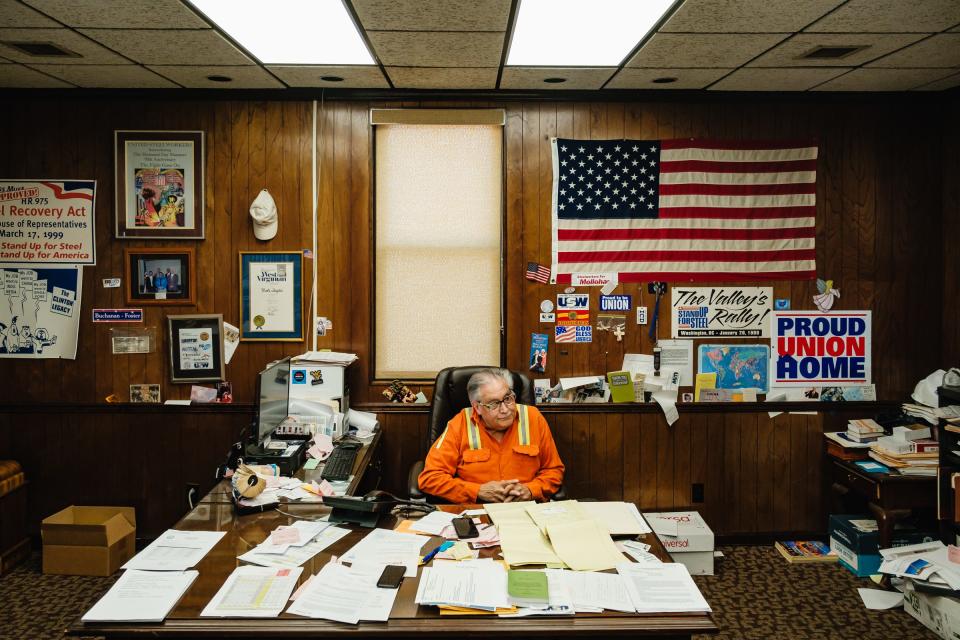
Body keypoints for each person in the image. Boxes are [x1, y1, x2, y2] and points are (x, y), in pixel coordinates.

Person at [418, 368, 564, 503]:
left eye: (508, 398)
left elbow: (553, 470)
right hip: (475, 512)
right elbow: (430, 478)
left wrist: (531, 490)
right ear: (477, 407)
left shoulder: (533, 418)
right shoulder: (460, 424)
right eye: (494, 404)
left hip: (525, 508)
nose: (505, 409)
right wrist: (478, 491)